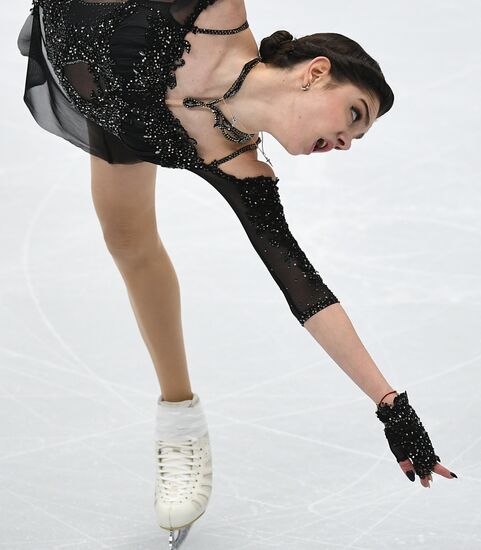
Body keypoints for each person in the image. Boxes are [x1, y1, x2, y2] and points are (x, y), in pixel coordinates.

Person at [17, 0, 458, 547]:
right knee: (126, 238)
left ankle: (180, 423)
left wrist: (391, 406)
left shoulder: (242, 168)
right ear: (316, 72)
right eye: (353, 114)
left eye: (356, 138)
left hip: (109, 104)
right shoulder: (215, 9)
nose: (346, 142)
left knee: (127, 240)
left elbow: (307, 291)